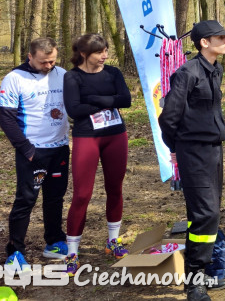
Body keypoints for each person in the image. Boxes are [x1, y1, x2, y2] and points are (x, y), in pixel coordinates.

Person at [158, 20, 225, 300]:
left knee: (206, 213)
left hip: (214, 149)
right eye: (221, 37)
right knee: (206, 214)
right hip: (193, 151)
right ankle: (195, 281)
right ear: (204, 42)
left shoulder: (217, 70)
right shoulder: (187, 73)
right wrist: (176, 146)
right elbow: (168, 117)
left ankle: (202, 270)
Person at [62, 34, 131, 276]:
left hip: (115, 135)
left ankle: (113, 241)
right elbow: (74, 109)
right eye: (98, 52)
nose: (104, 56)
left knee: (115, 189)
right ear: (83, 54)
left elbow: (126, 100)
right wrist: (109, 102)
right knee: (82, 194)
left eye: (105, 51)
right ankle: (72, 252)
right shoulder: (72, 76)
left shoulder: (113, 73)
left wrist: (94, 99)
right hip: (87, 137)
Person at [0, 37, 70, 271]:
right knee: (26, 199)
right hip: (33, 150)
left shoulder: (62, 74)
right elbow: (6, 119)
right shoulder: (14, 79)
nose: (49, 66)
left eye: (52, 61)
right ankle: (16, 251)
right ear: (30, 57)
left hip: (59, 147)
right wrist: (27, 149)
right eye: (43, 62)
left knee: (55, 196)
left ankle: (54, 241)